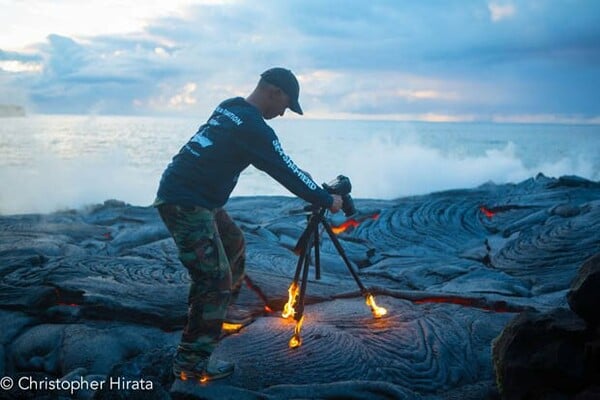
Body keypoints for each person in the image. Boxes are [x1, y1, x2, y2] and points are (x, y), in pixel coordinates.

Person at [154, 67, 343, 382]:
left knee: (233, 244)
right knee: (213, 279)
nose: (283, 113)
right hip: (187, 203)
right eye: (286, 105)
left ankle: (220, 313)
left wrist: (314, 188)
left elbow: (283, 165)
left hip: (194, 197)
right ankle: (191, 363)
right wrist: (326, 199)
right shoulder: (254, 128)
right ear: (275, 92)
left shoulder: (230, 107)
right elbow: (283, 169)